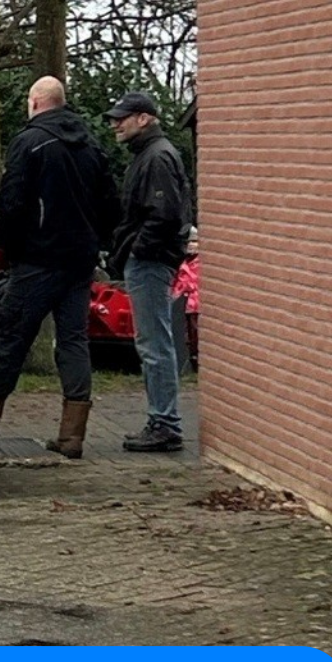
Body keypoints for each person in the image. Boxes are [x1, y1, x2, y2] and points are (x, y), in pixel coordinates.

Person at [0, 76, 120, 458]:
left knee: (12, 336)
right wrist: (95, 243)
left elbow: (13, 204)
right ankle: (72, 435)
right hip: (79, 260)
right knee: (73, 342)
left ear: (34, 103)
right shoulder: (91, 145)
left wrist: (11, 248)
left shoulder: (29, 143)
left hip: (36, 260)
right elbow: (111, 203)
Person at [106, 92, 192, 453]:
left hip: (151, 261)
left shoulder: (156, 158)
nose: (115, 124)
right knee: (154, 340)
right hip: (151, 258)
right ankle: (162, 420)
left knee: (154, 342)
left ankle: (165, 422)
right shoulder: (154, 154)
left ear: (144, 118)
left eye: (122, 118)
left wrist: (138, 250)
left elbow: (164, 214)